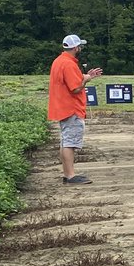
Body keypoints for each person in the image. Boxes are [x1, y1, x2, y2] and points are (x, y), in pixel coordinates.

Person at [48, 34, 103, 185]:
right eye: (80, 46)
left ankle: (67, 174)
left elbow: (72, 81)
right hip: (71, 108)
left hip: (63, 107)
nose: (80, 48)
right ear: (76, 47)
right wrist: (86, 79)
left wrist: (86, 75)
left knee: (66, 141)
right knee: (70, 143)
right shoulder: (69, 64)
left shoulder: (60, 61)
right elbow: (76, 88)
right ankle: (70, 176)